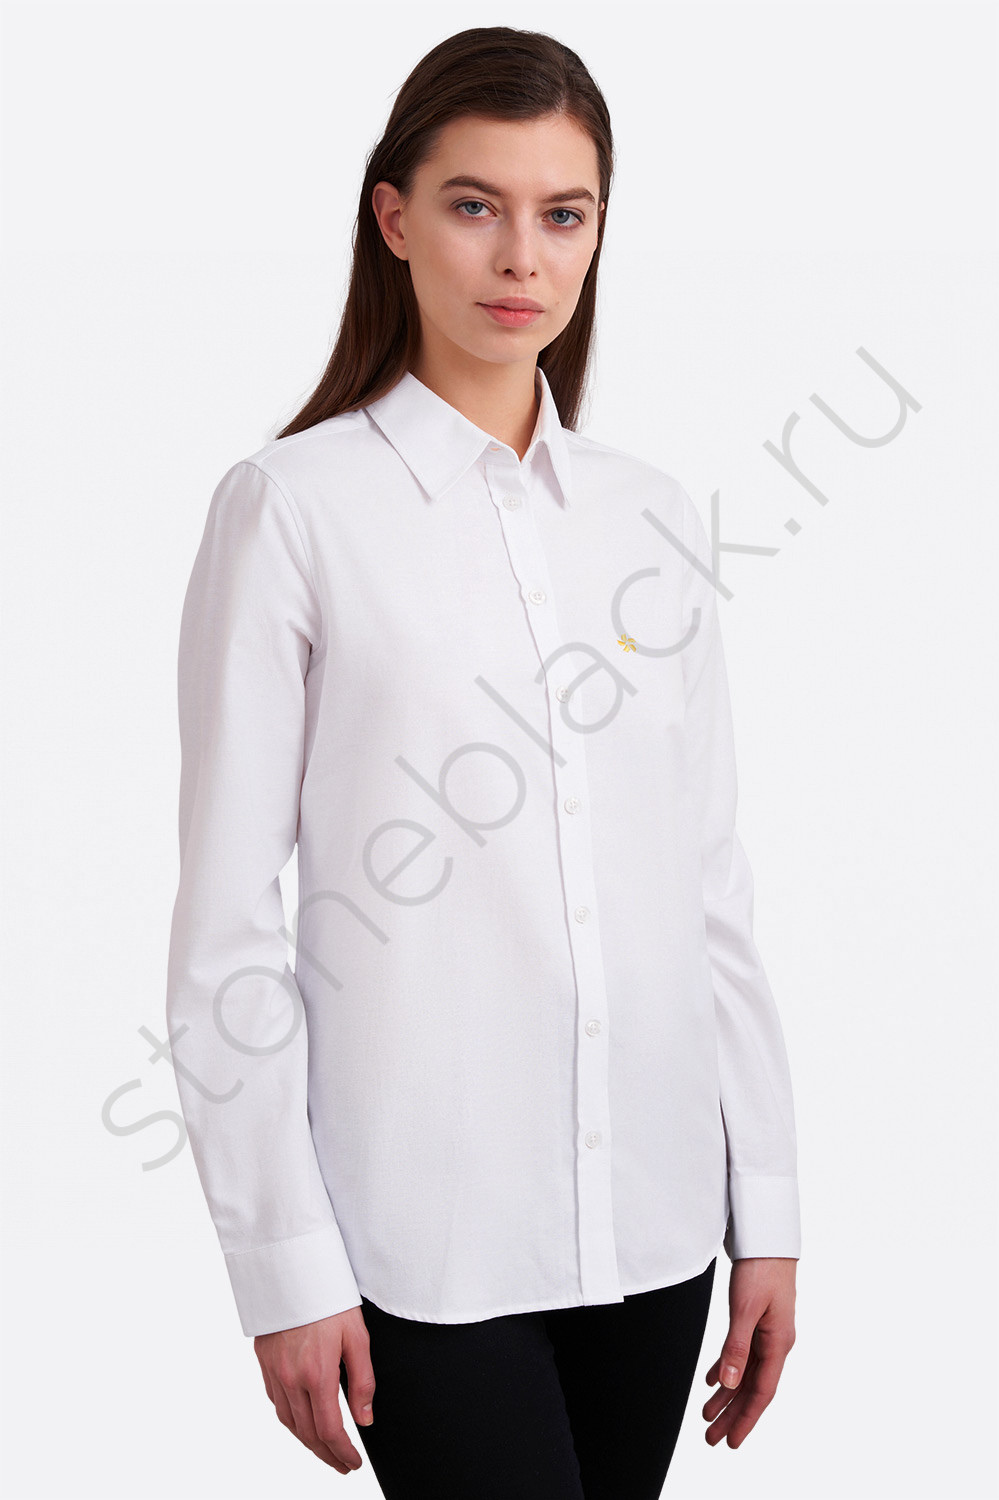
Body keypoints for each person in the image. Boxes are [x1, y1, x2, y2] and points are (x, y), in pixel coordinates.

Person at [165, 25, 800, 1499]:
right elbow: (226, 928)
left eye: (563, 213)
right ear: (393, 219)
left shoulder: (651, 518)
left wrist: (764, 1206)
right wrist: (281, 1262)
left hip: (656, 1229)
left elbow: (708, 887)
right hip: (421, 1246)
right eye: (474, 205)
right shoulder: (291, 510)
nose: (522, 255)